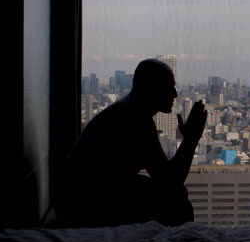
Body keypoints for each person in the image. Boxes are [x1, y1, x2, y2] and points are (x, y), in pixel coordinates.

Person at [56, 59, 207, 227]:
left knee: (174, 195)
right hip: (86, 205)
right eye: (169, 87)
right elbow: (170, 181)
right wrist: (191, 140)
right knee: (176, 199)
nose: (174, 94)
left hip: (80, 197)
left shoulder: (128, 112)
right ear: (151, 88)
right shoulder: (135, 120)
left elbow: (166, 178)